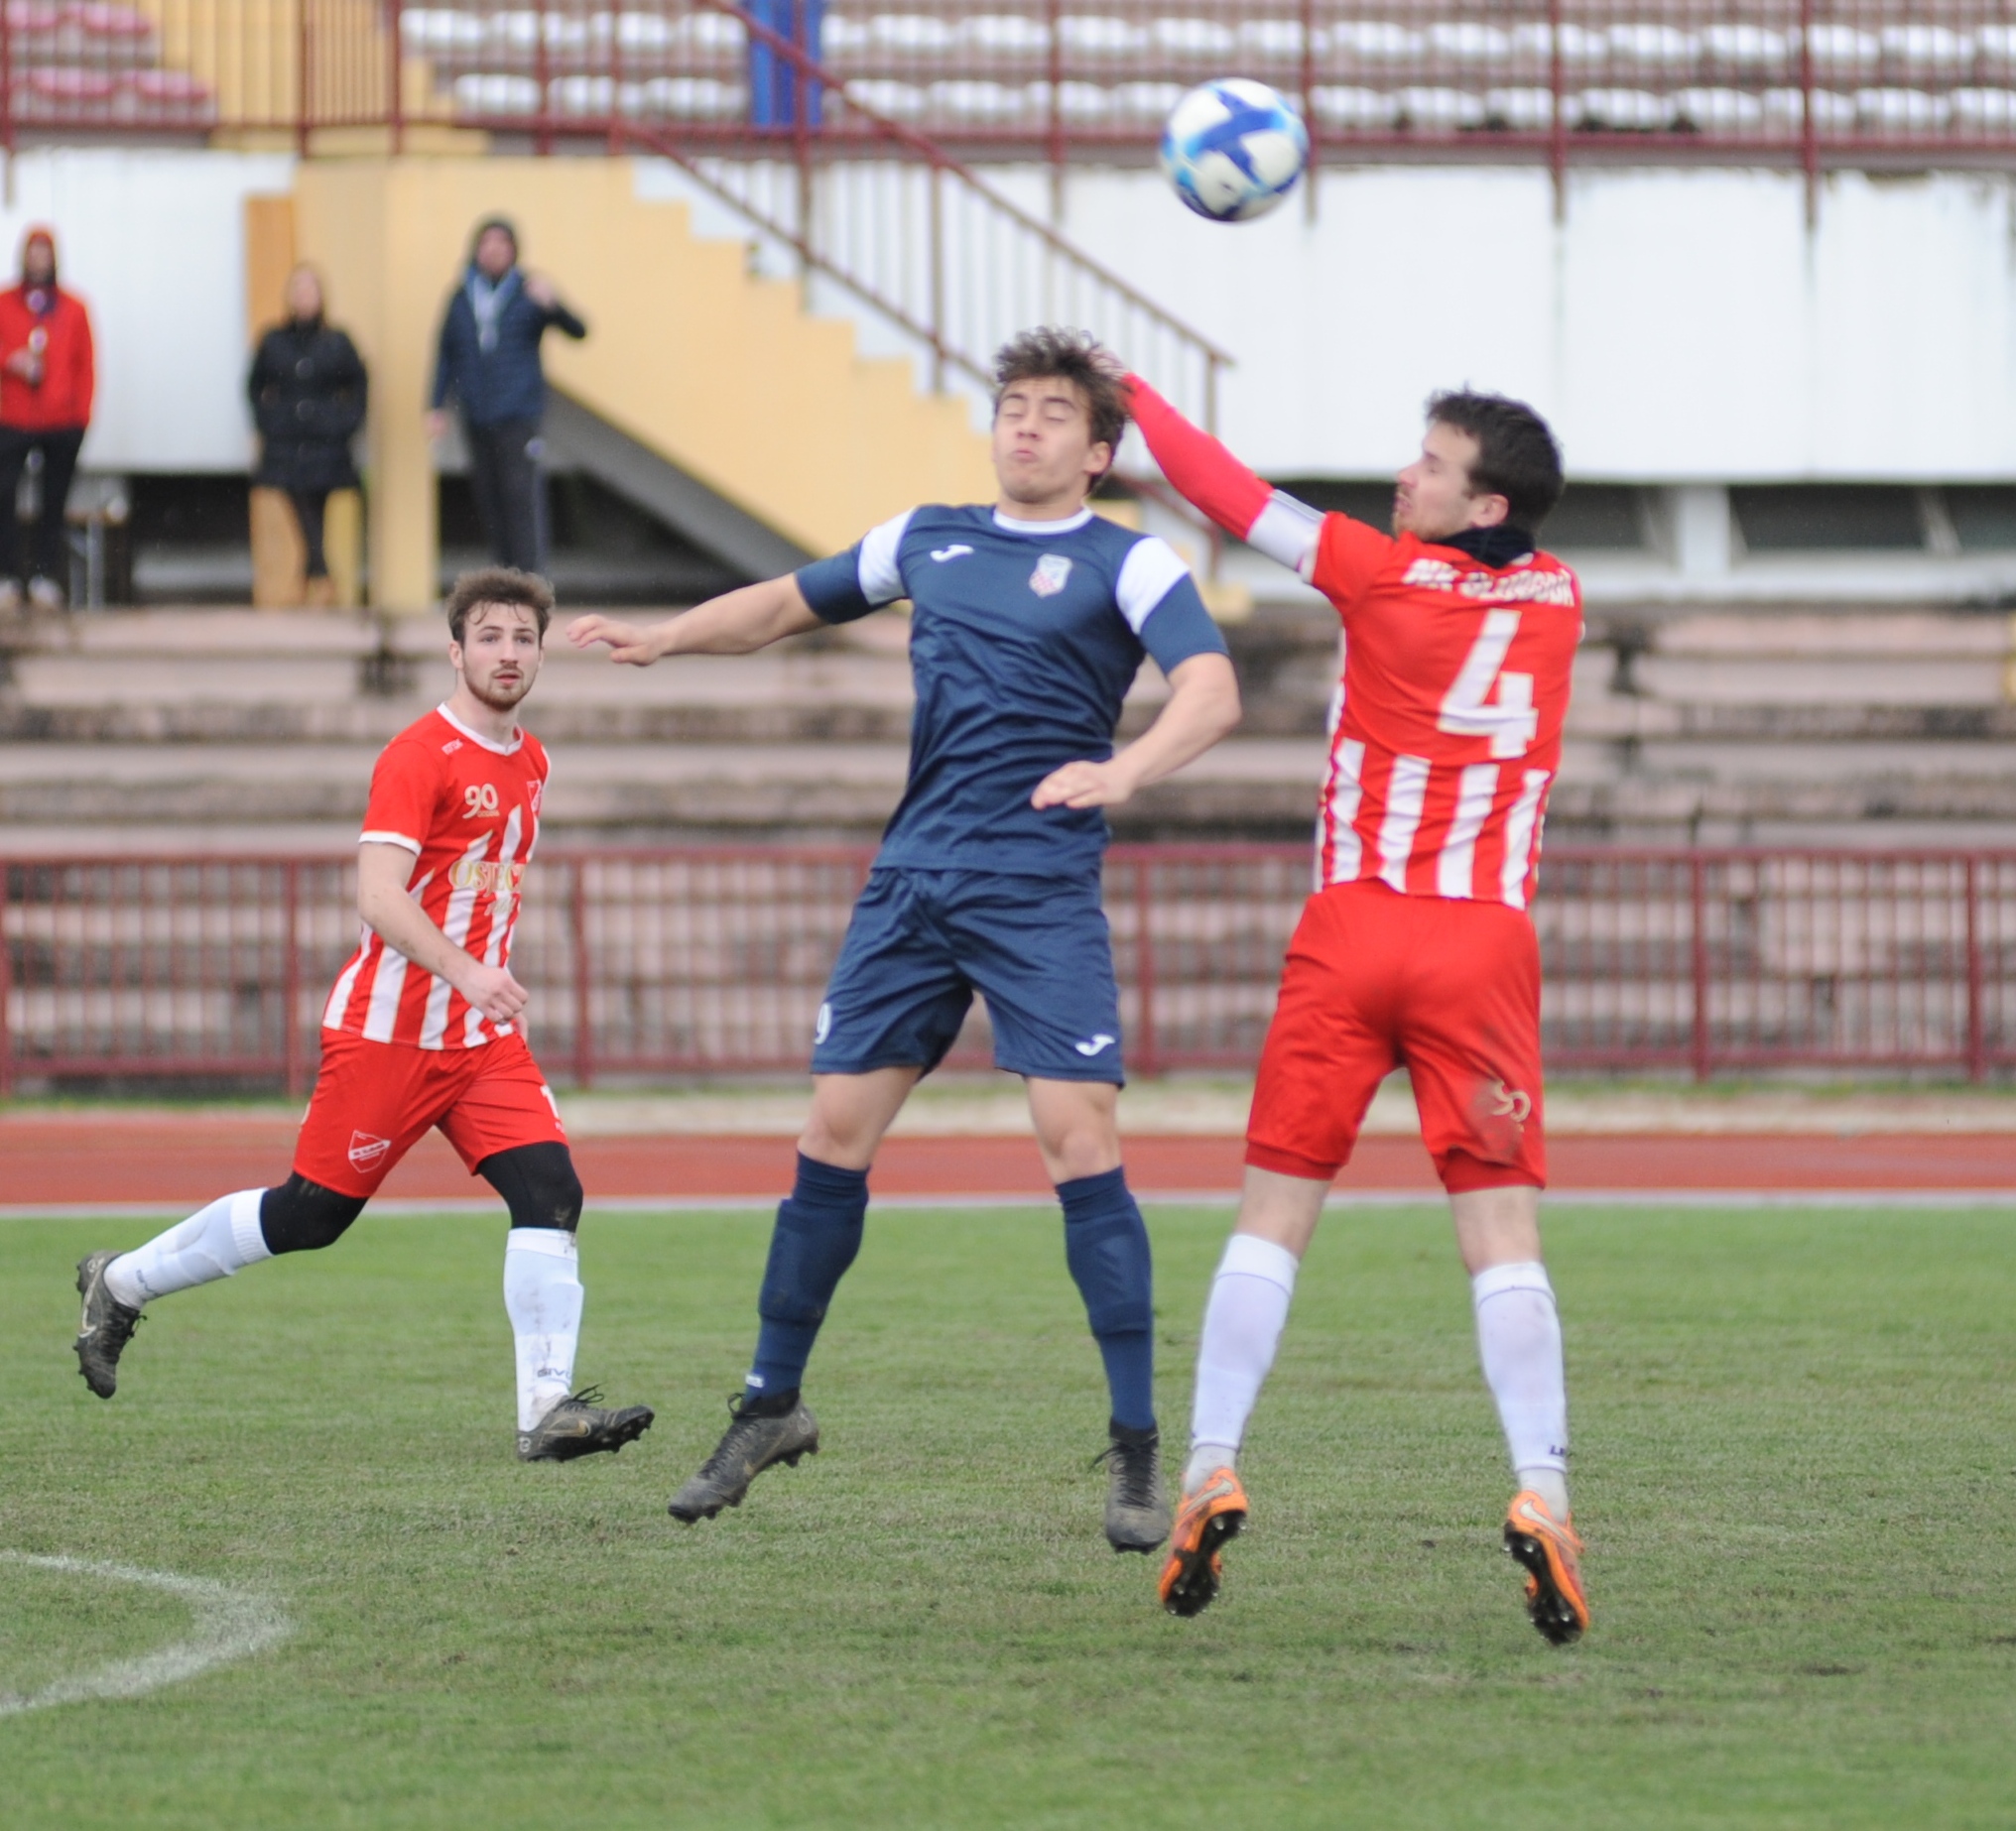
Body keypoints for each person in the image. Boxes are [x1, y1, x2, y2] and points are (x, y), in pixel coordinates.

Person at [564, 328, 1240, 1548]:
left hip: (1036, 890)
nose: (1024, 425)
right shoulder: (926, 537)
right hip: (912, 885)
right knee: (831, 1131)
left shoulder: (1127, 560)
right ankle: (769, 1405)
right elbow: (784, 603)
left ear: (1098, 452)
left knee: (1078, 1142)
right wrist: (665, 636)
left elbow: (1211, 687)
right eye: (1012, 406)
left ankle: (1139, 1447)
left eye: (1053, 413)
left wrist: (1126, 769)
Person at [1119, 369, 1592, 1644]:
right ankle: (1543, 1489)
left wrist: (1131, 395)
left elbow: (1224, 494)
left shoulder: (1376, 574)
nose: (1403, 476)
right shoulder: (1560, 597)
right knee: (1502, 1235)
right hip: (1479, 945)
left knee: (1272, 1218)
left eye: (1428, 465)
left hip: (1351, 927)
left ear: (1482, 503)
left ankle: (1210, 1462)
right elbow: (1500, 582)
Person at [72, 567, 656, 1465]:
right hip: (389, 1034)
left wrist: (479, 987)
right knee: (310, 1217)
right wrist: (467, 971)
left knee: (552, 1192)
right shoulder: (418, 754)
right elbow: (379, 896)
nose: (507, 653)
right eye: (489, 637)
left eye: (523, 638)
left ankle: (546, 1409)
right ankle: (119, 1283)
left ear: (541, 653)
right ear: (455, 651)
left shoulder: (533, 761)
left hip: (480, 1042)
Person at [428, 218, 585, 574]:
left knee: (521, 498)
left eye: (502, 243)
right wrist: (435, 405)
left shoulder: (528, 291)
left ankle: (529, 581)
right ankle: (504, 578)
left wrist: (553, 305)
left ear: (513, 250)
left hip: (518, 414)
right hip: (477, 414)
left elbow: (578, 331)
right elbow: (445, 352)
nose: (494, 251)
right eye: (487, 243)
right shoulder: (461, 297)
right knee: (490, 501)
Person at [250, 264, 368, 609]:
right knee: (300, 502)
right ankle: (320, 574)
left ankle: (310, 577)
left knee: (315, 506)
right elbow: (254, 385)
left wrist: (345, 421)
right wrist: (269, 421)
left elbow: (359, 383)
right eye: (298, 290)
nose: (304, 298)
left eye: (310, 290)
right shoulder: (273, 340)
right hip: (286, 441)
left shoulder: (337, 342)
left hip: (326, 442)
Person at [0, 225, 94, 611]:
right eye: (33, 253)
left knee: (53, 501)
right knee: (4, 496)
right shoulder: (5, 303)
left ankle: (43, 576)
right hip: (12, 416)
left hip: (60, 421)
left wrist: (81, 417)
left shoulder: (73, 309)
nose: (39, 261)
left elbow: (85, 365)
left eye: (45, 254)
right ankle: (8, 576)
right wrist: (10, 361)